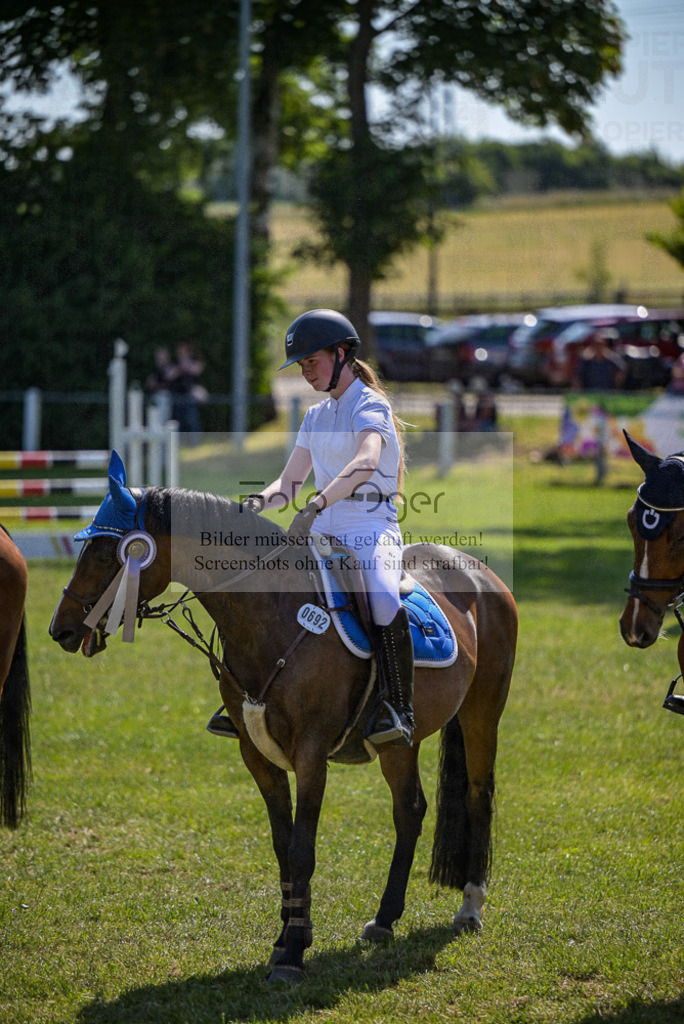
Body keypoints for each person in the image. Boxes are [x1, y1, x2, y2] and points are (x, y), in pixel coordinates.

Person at [208, 308, 415, 747]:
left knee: (380, 596)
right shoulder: (315, 417)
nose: (305, 373)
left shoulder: (370, 405)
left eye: (311, 362)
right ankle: (247, 697)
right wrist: (252, 504)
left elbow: (366, 462)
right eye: (301, 366)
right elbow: (287, 484)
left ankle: (398, 707)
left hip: (369, 526)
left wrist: (318, 502)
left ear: (341, 354)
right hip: (325, 528)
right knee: (262, 588)